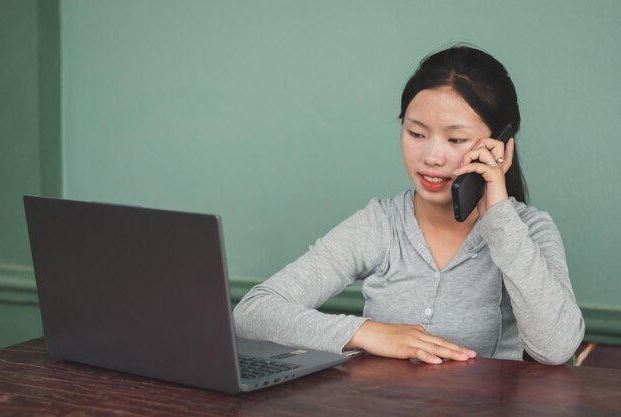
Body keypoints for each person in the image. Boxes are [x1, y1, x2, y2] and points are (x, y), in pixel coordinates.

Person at [233, 45, 585, 365]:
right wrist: (369, 332)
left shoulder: (529, 229)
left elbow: (556, 348)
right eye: (416, 133)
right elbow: (252, 312)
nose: (431, 157)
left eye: (456, 139)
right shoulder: (381, 224)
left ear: (501, 145)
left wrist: (499, 214)